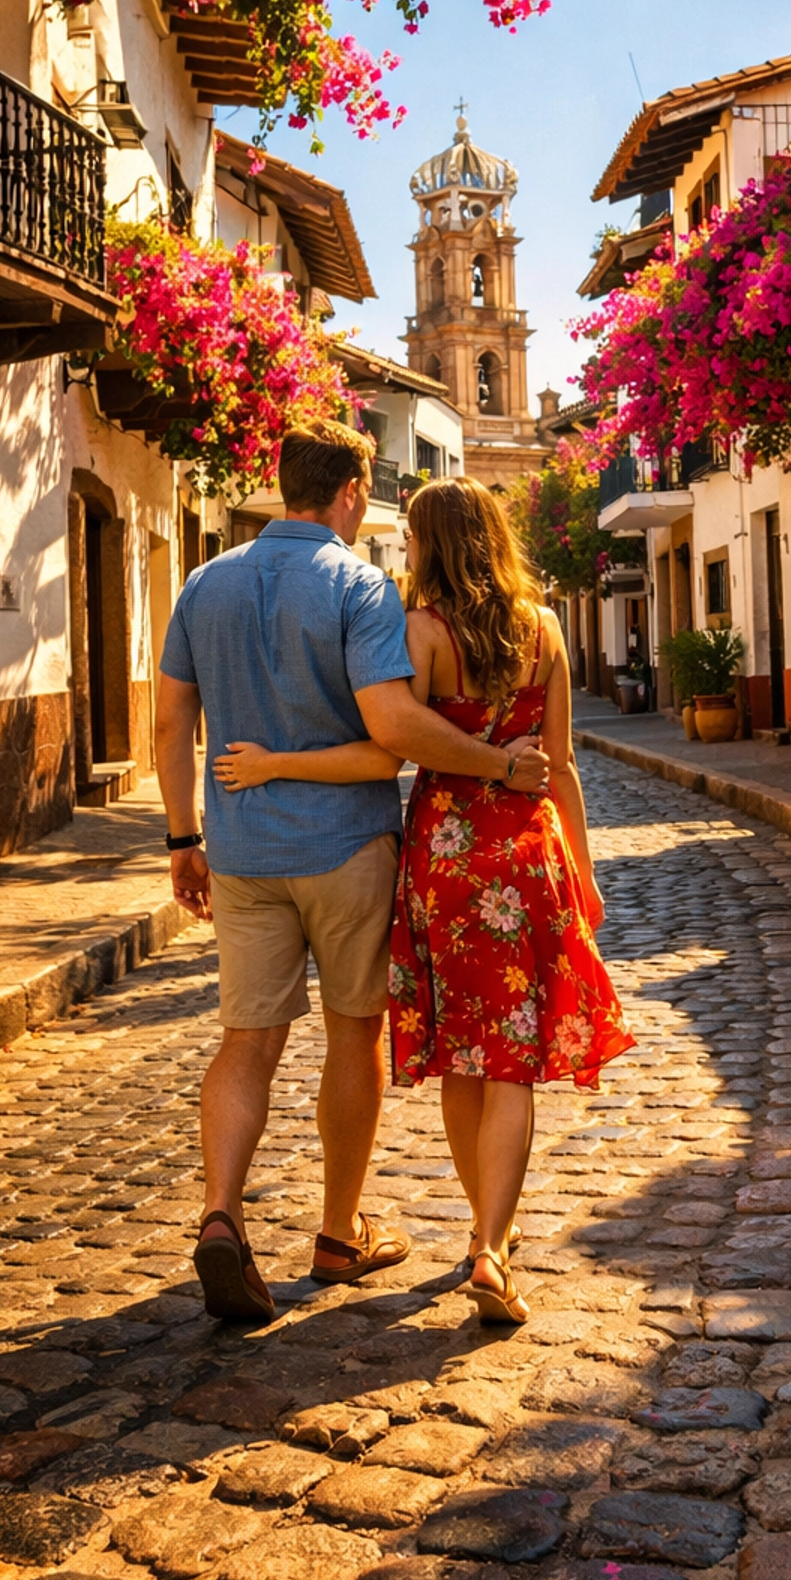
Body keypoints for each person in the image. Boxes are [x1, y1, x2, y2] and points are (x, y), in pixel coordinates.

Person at [156, 420, 549, 1326]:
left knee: (245, 1042)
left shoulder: (204, 583)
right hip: (348, 851)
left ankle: (221, 1213)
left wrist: (183, 840)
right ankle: (339, 1232)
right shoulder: (360, 585)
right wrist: (495, 767)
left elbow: (171, 721)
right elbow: (393, 731)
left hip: (244, 853)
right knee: (351, 1032)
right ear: (345, 496)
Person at [226, 476, 632, 1328]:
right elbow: (560, 767)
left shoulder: (419, 632)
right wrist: (585, 875)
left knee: (462, 1057)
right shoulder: (545, 629)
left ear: (428, 544)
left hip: (448, 859)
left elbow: (395, 740)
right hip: (529, 856)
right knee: (513, 1062)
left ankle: (483, 1238)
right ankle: (494, 1244)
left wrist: (273, 761)